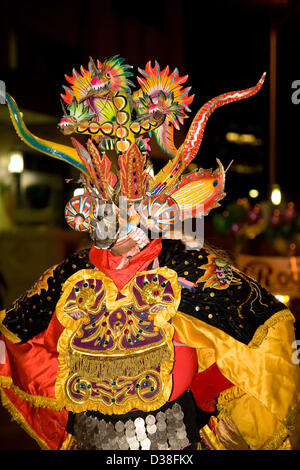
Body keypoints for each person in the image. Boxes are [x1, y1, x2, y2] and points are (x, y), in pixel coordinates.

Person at [0, 56, 299, 451]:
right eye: (112, 215)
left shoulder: (189, 267)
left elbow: (260, 334)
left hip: (175, 442)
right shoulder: (69, 276)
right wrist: (71, 395)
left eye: (138, 213)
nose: (129, 228)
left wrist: (205, 397)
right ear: (90, 216)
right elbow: (20, 339)